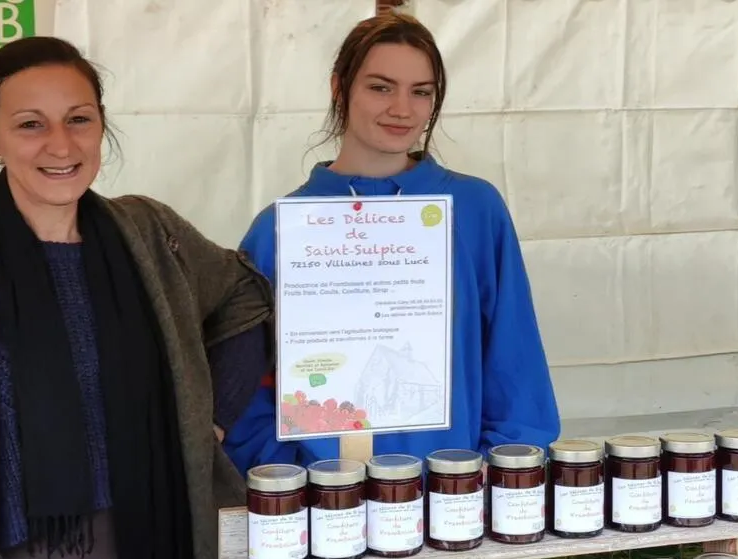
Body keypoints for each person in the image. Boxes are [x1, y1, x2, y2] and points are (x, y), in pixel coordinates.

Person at [0, 36, 272, 559]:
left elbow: (244, 296)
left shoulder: (150, 231)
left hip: (162, 532)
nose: (61, 145)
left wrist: (208, 419)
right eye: (31, 124)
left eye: (78, 119)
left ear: (101, 124)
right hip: (15, 554)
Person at [223, 12, 560, 475]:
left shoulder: (475, 210)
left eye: (421, 92)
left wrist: (491, 473)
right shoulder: (279, 230)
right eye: (381, 87)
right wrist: (289, 473)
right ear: (339, 88)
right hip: (323, 498)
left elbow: (515, 361)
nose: (403, 109)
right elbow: (244, 383)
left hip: (453, 491)